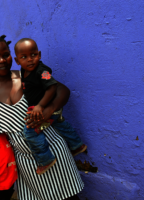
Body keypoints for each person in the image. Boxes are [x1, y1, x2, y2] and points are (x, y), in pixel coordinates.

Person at [0, 31, 83, 200]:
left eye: (6, 55)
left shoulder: (29, 74)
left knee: (69, 197)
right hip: (26, 164)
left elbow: (63, 90)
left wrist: (49, 109)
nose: (2, 61)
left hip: (54, 149)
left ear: (13, 57)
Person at [13, 38, 87, 175]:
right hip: (42, 107)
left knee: (30, 132)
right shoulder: (23, 72)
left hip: (46, 107)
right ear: (17, 61)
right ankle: (77, 145)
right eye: (24, 57)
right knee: (59, 124)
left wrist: (40, 106)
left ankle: (45, 159)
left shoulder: (42, 71)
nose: (30, 59)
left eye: (33, 55)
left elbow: (52, 86)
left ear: (39, 55)